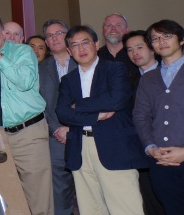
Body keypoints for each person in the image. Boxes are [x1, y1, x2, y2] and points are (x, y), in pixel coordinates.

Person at [56, 25, 147, 215]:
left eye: (85, 43)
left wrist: (78, 106)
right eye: (74, 45)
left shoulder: (115, 69)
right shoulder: (68, 79)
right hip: (80, 147)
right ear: (69, 51)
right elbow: (62, 112)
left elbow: (117, 99)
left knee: (126, 207)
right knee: (91, 209)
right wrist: (96, 115)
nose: (81, 49)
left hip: (114, 145)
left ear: (96, 44)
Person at [0, 14, 53, 215]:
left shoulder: (22, 51)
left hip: (28, 131)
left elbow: (25, 81)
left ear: (2, 33)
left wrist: (0, 59)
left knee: (38, 196)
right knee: (7, 198)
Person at [133, 20, 184, 214]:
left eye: (167, 36)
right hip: (160, 161)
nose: (161, 41)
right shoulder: (148, 78)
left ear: (181, 40)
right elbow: (140, 116)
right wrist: (151, 148)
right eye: (155, 38)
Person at [125, 30, 166, 215]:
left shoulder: (168, 75)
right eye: (130, 50)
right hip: (139, 149)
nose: (135, 53)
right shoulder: (128, 79)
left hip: (168, 147)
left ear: (152, 49)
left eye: (140, 47)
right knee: (148, 199)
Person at [38, 19, 77, 215]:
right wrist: (56, 129)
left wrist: (72, 128)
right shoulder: (39, 69)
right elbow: (39, 105)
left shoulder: (84, 62)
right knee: (59, 192)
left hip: (85, 134)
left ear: (68, 36)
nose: (54, 38)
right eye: (50, 35)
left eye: (59, 33)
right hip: (54, 138)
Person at [98, 13, 140, 81]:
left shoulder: (137, 55)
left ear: (127, 30)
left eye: (118, 25)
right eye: (109, 25)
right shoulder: (95, 57)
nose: (113, 28)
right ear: (102, 31)